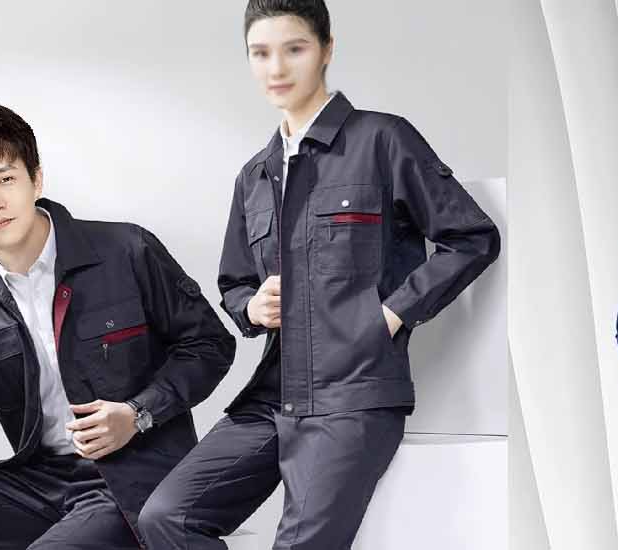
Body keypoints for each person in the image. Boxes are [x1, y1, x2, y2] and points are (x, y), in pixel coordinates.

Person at [135, 1, 502, 548]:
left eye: (294, 49)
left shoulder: (382, 139)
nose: (276, 68)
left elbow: (472, 237)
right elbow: (235, 282)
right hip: (273, 395)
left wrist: (391, 315)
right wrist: (250, 307)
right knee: (165, 517)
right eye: (260, 53)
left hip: (351, 396)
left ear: (327, 50)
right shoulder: (255, 175)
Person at [0, 101, 236, 550]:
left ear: (36, 180)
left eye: (6, 179)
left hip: (132, 479)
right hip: (41, 482)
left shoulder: (125, 250)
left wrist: (138, 414)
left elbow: (209, 345)